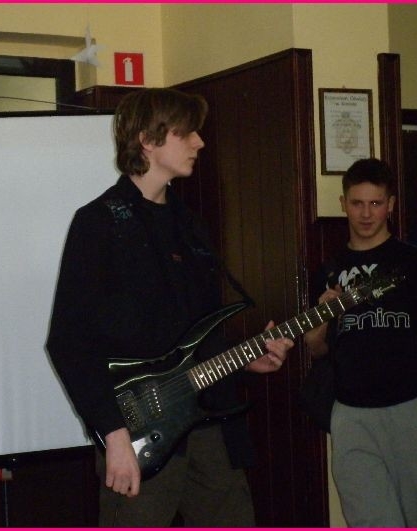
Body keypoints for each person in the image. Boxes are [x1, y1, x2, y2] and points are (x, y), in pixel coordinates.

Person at [46, 88, 293, 527]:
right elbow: (69, 341)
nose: (200, 142)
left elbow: (196, 333)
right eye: (186, 133)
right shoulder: (99, 223)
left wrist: (247, 359)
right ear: (148, 140)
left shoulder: (190, 225)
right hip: (140, 435)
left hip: (212, 426)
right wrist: (114, 436)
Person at [304, 158, 417, 527]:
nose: (366, 213)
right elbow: (316, 348)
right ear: (343, 204)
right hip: (351, 414)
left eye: (375, 203)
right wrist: (323, 316)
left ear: (390, 204)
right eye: (357, 203)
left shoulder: (415, 261)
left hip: (410, 409)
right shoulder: (329, 270)